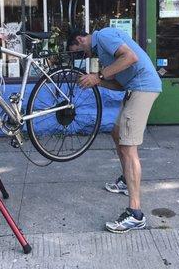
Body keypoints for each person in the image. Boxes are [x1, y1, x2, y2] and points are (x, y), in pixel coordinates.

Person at [67, 27, 162, 233]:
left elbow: (130, 57)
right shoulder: (103, 48)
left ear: (80, 39)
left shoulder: (103, 36)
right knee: (117, 133)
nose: (83, 55)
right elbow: (120, 83)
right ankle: (126, 181)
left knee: (129, 148)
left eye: (78, 50)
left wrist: (98, 75)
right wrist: (99, 81)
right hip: (133, 87)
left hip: (143, 88)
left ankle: (135, 214)